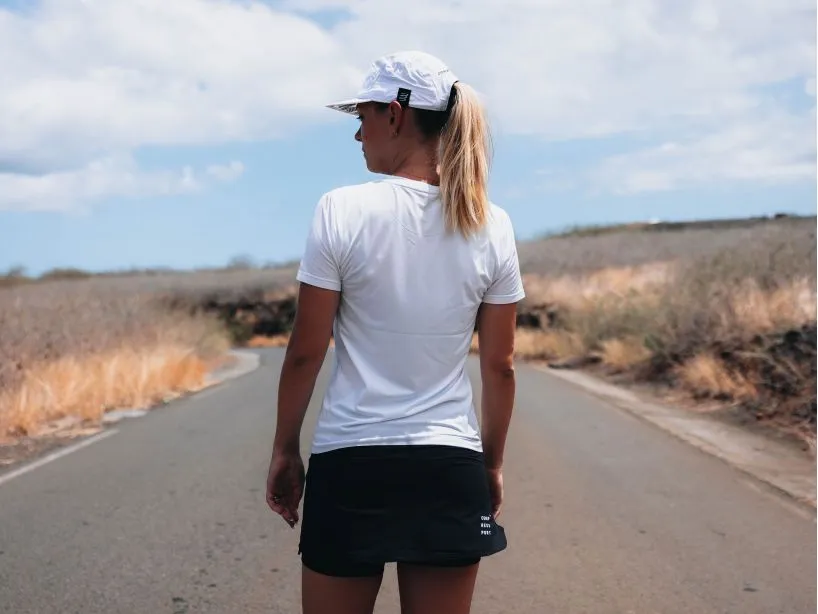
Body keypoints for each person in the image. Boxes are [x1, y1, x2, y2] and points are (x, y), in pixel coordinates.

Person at [265, 50, 525, 614]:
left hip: (352, 464)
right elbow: (500, 366)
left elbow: (306, 353)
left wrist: (286, 448)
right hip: (447, 464)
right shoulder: (492, 224)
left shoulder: (340, 210)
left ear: (395, 114)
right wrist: (491, 464)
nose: (357, 135)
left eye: (361, 116)